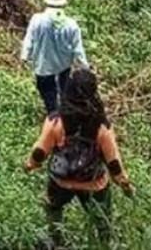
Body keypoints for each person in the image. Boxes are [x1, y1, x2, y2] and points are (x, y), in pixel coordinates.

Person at [24, 69, 133, 249]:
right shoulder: (101, 126)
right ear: (94, 93)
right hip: (94, 183)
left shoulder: (56, 121)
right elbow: (113, 162)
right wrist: (125, 184)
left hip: (61, 181)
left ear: (69, 90)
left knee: (53, 207)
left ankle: (55, 240)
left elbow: (40, 151)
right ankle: (104, 244)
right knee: (102, 219)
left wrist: (29, 165)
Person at [21, 0, 88, 115]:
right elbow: (78, 49)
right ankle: (64, 112)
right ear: (64, 2)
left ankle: (52, 113)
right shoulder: (71, 24)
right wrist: (85, 66)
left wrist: (25, 55)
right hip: (64, 65)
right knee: (64, 89)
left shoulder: (37, 20)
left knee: (47, 91)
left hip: (43, 65)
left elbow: (29, 39)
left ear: (47, 0)